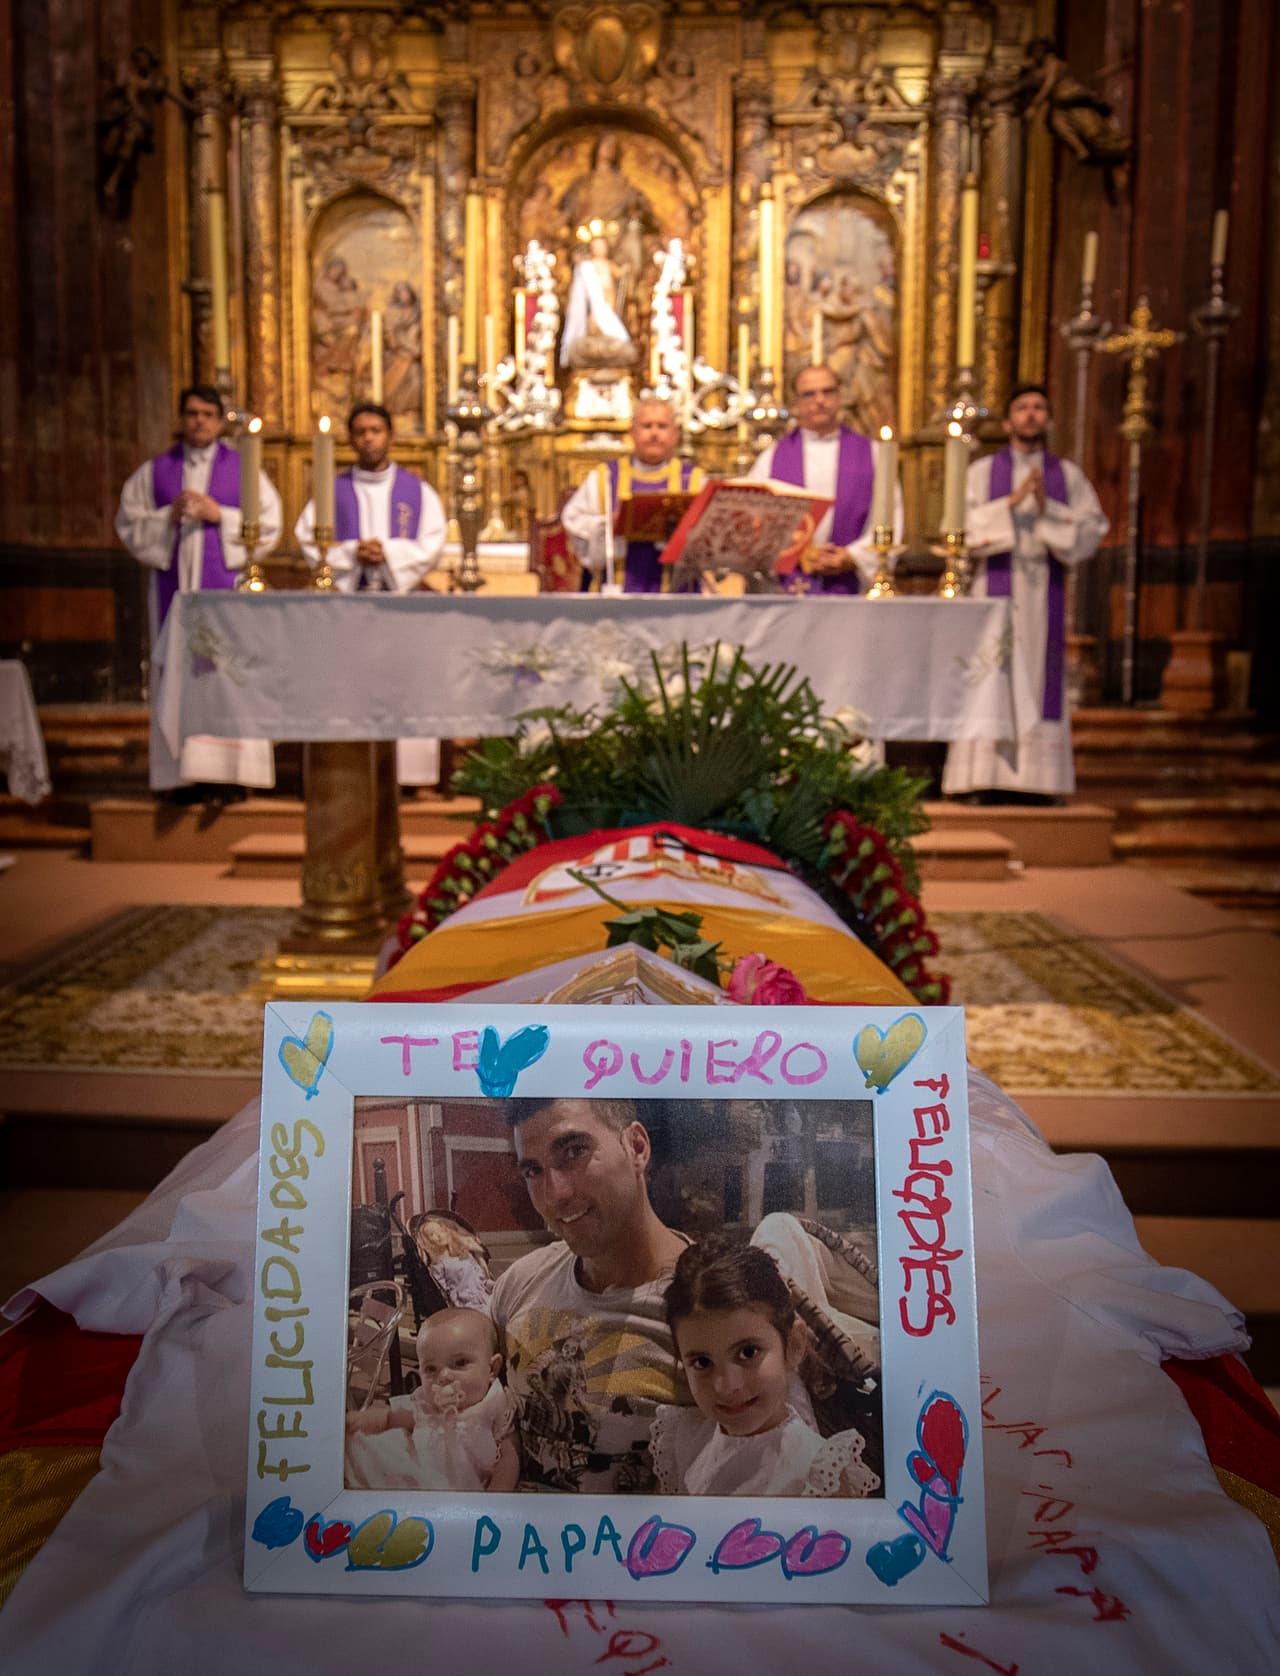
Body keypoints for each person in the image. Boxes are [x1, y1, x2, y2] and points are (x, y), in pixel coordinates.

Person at [489, 1096, 690, 1493]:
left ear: (636, 1147)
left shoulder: (711, 1306)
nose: (555, 1194)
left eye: (574, 1152)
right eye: (533, 1170)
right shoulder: (519, 1283)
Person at [942, 383, 1109, 803]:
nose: (1031, 415)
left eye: (1039, 408)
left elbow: (1092, 531)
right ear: (1008, 421)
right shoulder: (982, 473)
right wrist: (1010, 505)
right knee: (990, 674)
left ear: (1048, 419)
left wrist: (1048, 507)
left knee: (1037, 677)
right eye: (1023, 408)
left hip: (1041, 587)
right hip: (993, 587)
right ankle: (981, 777)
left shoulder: (1066, 476)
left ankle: (1040, 782)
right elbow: (955, 529)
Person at [115, 384, 281, 798]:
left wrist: (218, 516)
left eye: (208, 413)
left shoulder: (244, 468)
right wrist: (166, 518)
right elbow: (129, 524)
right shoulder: (155, 472)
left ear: (220, 420)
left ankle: (230, 776)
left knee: (227, 675)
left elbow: (270, 524)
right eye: (192, 413)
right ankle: (180, 775)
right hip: (174, 594)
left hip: (226, 594)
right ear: (181, 418)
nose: (200, 421)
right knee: (178, 675)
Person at [650, 1239, 879, 1499]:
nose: (727, 1385)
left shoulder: (819, 1473)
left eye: (748, 1352)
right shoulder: (685, 1446)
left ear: (792, 1345)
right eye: (702, 1362)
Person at [295, 402, 446, 786]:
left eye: (376, 430)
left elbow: (432, 540)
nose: (368, 438)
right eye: (360, 432)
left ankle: (410, 777)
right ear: (350, 439)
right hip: (348, 609)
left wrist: (389, 553)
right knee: (349, 685)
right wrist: (350, 553)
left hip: (401, 607)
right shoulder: (332, 491)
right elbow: (308, 536)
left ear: (390, 436)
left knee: (405, 683)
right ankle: (349, 771)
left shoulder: (417, 491)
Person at [748, 363, 903, 593]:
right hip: (786, 589)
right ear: (796, 403)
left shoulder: (872, 454)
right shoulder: (771, 459)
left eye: (827, 391)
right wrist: (798, 554)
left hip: (851, 585)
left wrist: (851, 557)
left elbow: (890, 518)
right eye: (809, 394)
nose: (819, 400)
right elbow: (753, 523)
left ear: (840, 396)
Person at [344, 1307, 519, 1493]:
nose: (443, 1376)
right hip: (417, 1471)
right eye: (431, 1369)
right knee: (361, 1452)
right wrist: (355, 1421)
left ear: (492, 1369)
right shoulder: (427, 1404)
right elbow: (390, 1419)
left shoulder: (494, 1405)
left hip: (463, 1488)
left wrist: (498, 1491)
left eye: (460, 1363)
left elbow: (509, 1455)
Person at [559, 398, 705, 593]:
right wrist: (609, 524)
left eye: (662, 426)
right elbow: (574, 522)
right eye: (647, 426)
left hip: (679, 600)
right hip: (615, 599)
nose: (654, 434)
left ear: (674, 434)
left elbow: (711, 540)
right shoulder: (604, 478)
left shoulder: (695, 481)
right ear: (632, 432)